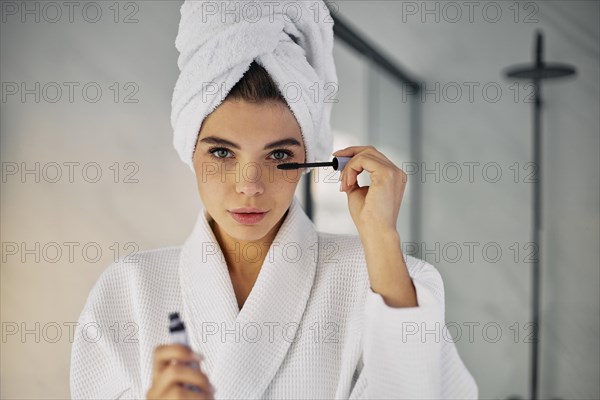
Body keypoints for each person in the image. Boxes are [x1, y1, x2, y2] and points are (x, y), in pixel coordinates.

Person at [70, 61, 478, 400]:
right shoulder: (129, 289)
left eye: (279, 154)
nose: (250, 185)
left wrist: (382, 235)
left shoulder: (382, 279)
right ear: (189, 152)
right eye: (222, 152)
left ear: (309, 160)